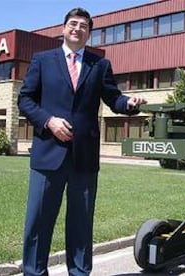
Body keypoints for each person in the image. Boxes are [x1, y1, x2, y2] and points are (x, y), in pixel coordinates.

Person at [18, 7, 146, 276]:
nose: (77, 29)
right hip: (48, 155)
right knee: (38, 223)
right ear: (63, 29)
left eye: (84, 26)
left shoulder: (100, 65)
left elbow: (114, 99)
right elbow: (26, 100)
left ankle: (79, 273)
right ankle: (34, 272)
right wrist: (49, 121)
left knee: (81, 224)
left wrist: (130, 104)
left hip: (84, 158)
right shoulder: (42, 60)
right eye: (73, 24)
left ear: (89, 33)